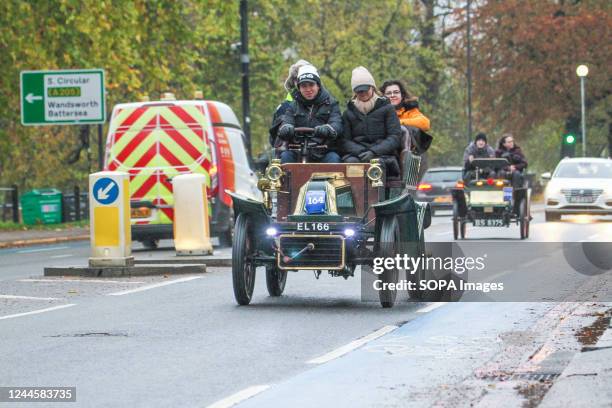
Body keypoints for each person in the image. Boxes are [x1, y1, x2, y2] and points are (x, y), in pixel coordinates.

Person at [340, 66, 402, 176]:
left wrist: (373, 152)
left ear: (372, 87)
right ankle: (355, 193)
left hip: (383, 155)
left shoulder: (388, 109)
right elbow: (344, 141)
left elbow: (394, 137)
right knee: (351, 165)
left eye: (365, 89)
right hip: (357, 155)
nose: (363, 93)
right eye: (359, 91)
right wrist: (361, 152)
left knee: (376, 165)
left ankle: (378, 193)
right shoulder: (348, 113)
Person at [277, 64, 342, 163]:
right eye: (304, 86)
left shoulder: (332, 104)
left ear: (318, 85)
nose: (308, 90)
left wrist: (327, 129)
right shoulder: (293, 105)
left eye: (311, 85)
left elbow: (337, 125)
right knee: (285, 157)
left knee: (334, 158)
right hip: (297, 151)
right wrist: (287, 128)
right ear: (299, 88)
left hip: (323, 152)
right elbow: (285, 124)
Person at [269, 59, 312, 148]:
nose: (307, 86)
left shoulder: (325, 103)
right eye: (300, 79)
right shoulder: (283, 108)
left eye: (311, 82)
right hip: (291, 152)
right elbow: (275, 140)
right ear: (294, 82)